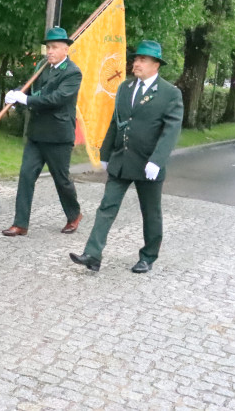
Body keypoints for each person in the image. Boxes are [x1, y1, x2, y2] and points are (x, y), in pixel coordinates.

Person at [70, 40, 183, 273]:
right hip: (121, 160)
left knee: (150, 212)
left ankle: (148, 256)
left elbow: (171, 131)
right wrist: (105, 152)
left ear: (156, 65)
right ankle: (93, 254)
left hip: (148, 163)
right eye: (136, 59)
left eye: (143, 59)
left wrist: (157, 160)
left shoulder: (170, 93)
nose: (136, 63)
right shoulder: (125, 88)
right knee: (106, 206)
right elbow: (116, 121)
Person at [1, 26, 84, 237]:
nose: (50, 51)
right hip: (37, 134)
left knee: (61, 179)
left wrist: (26, 100)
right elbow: (29, 87)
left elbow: (56, 99)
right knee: (26, 176)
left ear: (66, 49)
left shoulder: (73, 73)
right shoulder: (42, 66)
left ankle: (74, 215)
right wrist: (16, 93)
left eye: (55, 47)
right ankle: (20, 223)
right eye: (48, 47)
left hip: (58, 136)